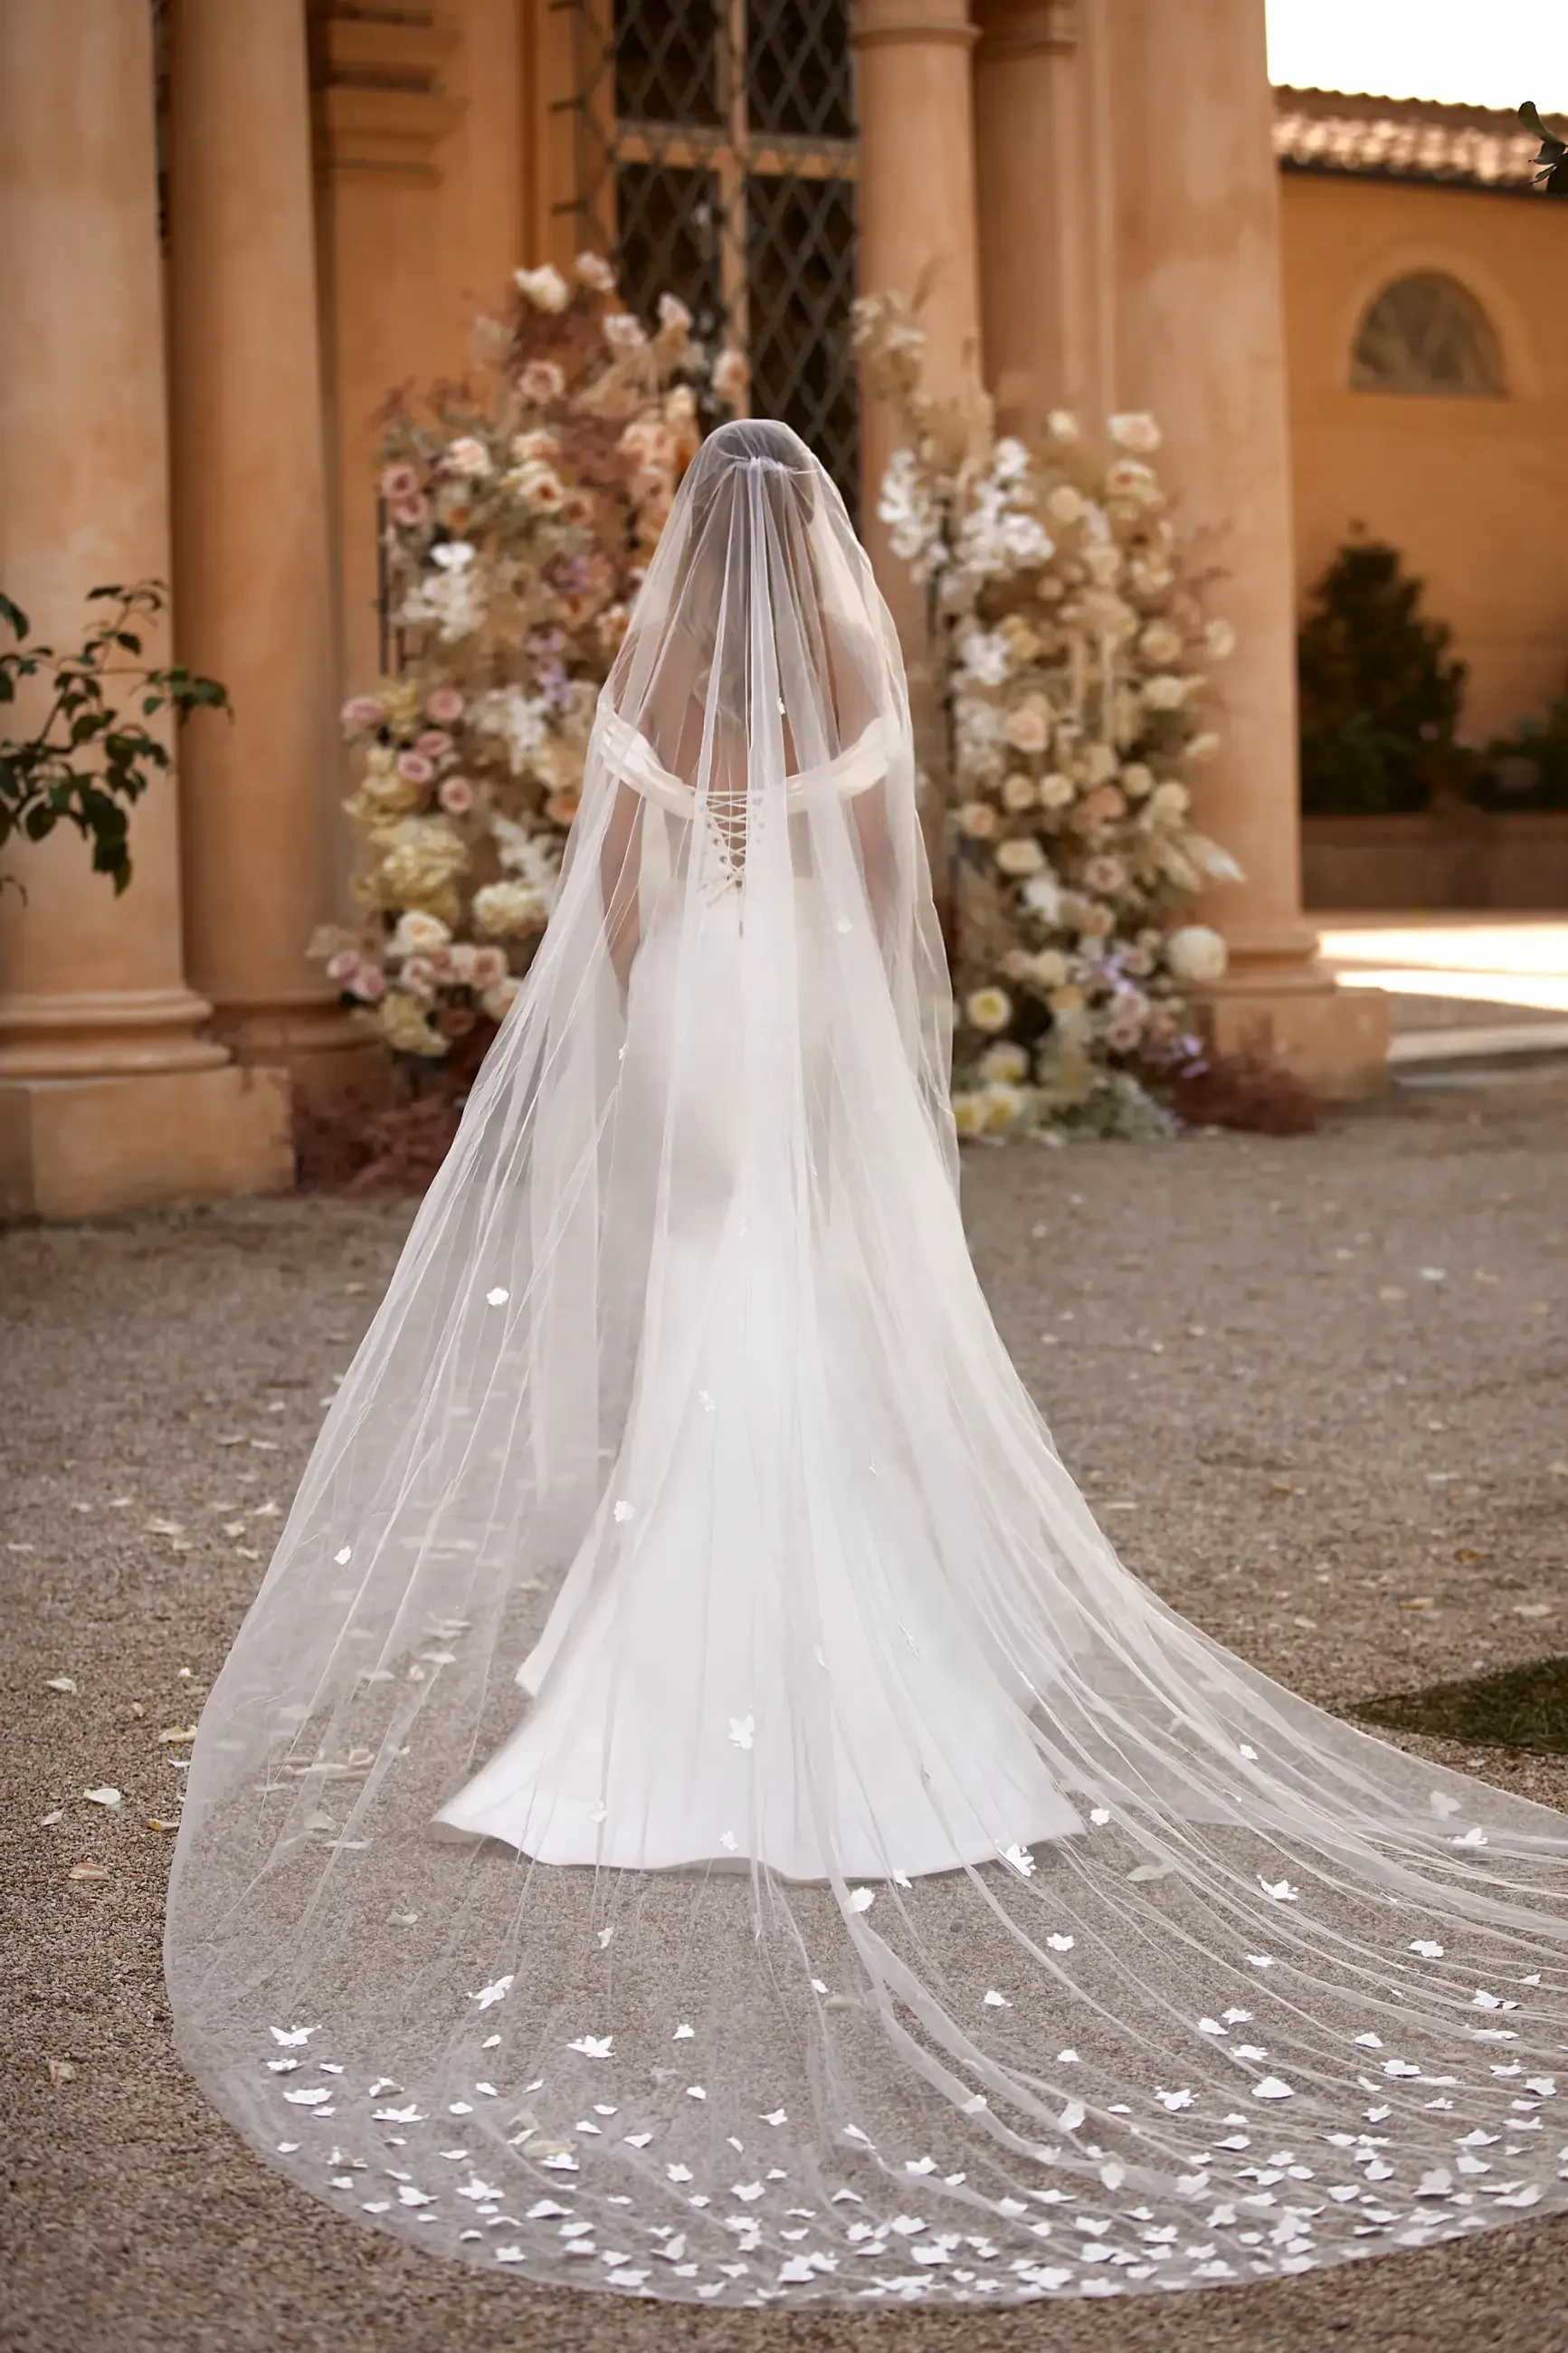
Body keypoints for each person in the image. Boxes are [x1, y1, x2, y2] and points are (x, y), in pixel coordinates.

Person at [167, 420, 1568, 2310]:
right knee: (802, 1286)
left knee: (705, 1286)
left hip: (694, 1005)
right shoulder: (842, 660)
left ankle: (660, 1668)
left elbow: (619, 897)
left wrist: (659, 1016)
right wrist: (857, 1035)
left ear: (694, 541)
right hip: (804, 1003)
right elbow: (890, 891)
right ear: (807, 534)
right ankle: (866, 1675)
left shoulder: (657, 671)